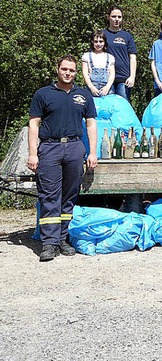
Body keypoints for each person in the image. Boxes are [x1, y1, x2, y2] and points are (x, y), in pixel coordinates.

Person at [27, 55, 98, 262]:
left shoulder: (83, 95)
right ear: (57, 69)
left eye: (72, 70)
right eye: (65, 69)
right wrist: (32, 153)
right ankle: (48, 243)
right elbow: (34, 124)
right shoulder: (43, 94)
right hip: (50, 147)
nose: (68, 73)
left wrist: (92, 152)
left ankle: (63, 239)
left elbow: (91, 124)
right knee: (49, 196)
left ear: (77, 72)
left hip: (75, 148)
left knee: (69, 196)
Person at [103, 6, 137, 101]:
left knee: (123, 108)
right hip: (106, 78)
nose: (117, 19)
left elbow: (132, 57)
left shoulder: (127, 36)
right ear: (108, 17)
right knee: (107, 107)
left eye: (119, 17)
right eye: (114, 16)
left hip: (124, 78)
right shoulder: (102, 35)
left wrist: (132, 76)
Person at [82, 31, 115, 97]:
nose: (98, 44)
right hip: (91, 89)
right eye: (96, 41)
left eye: (101, 41)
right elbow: (85, 73)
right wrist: (92, 88)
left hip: (107, 89)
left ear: (104, 42)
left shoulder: (110, 57)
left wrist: (107, 88)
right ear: (92, 42)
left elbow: (112, 74)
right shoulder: (86, 56)